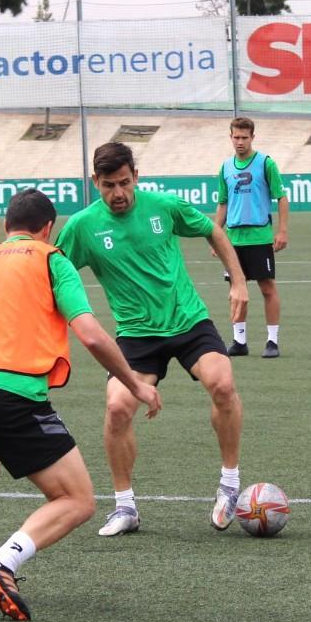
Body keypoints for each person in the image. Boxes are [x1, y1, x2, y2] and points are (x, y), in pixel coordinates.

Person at [0, 188, 161, 621]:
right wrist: (134, 383)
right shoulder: (50, 258)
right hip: (11, 396)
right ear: (47, 229)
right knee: (77, 499)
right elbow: (91, 335)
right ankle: (4, 560)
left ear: (5, 227)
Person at [54, 141, 249, 537]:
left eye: (125, 183)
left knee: (223, 384)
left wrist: (239, 283)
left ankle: (229, 484)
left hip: (189, 321)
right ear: (95, 182)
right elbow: (53, 271)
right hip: (137, 335)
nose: (119, 193)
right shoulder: (82, 227)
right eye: (109, 185)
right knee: (117, 408)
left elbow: (212, 230)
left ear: (136, 177)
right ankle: (125, 507)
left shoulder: (163, 205)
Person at [214, 117, 288, 359]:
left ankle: (272, 341)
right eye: (236, 137)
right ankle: (239, 341)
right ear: (230, 137)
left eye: (244, 137)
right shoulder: (225, 167)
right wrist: (216, 234)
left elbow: (281, 197)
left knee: (267, 287)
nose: (240, 142)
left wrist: (282, 230)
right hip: (233, 239)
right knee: (236, 290)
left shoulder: (265, 163)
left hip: (259, 236)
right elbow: (223, 203)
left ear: (252, 138)